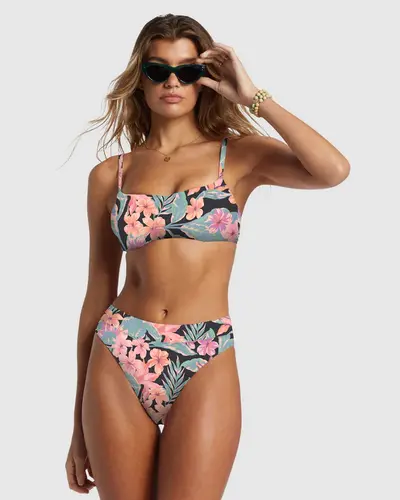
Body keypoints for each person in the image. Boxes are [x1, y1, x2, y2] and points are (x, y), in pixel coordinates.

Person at [65, 13, 350, 500]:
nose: (172, 81)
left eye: (188, 70)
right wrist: (77, 423)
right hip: (118, 350)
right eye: (158, 70)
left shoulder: (238, 157)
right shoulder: (110, 175)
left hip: (205, 351)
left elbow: (333, 170)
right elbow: (97, 290)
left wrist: (254, 97)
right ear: (140, 79)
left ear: (205, 79)